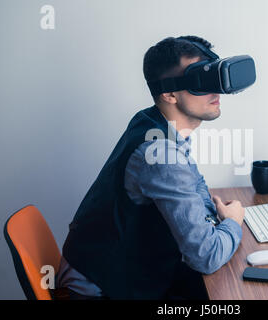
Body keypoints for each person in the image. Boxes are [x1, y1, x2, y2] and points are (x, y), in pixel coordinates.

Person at [56, 35, 245, 300]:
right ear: (169, 94)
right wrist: (233, 223)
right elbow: (207, 256)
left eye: (213, 78)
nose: (216, 91)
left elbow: (194, 183)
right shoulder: (161, 153)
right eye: (201, 82)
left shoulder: (153, 122)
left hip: (117, 271)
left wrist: (213, 221)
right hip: (98, 289)